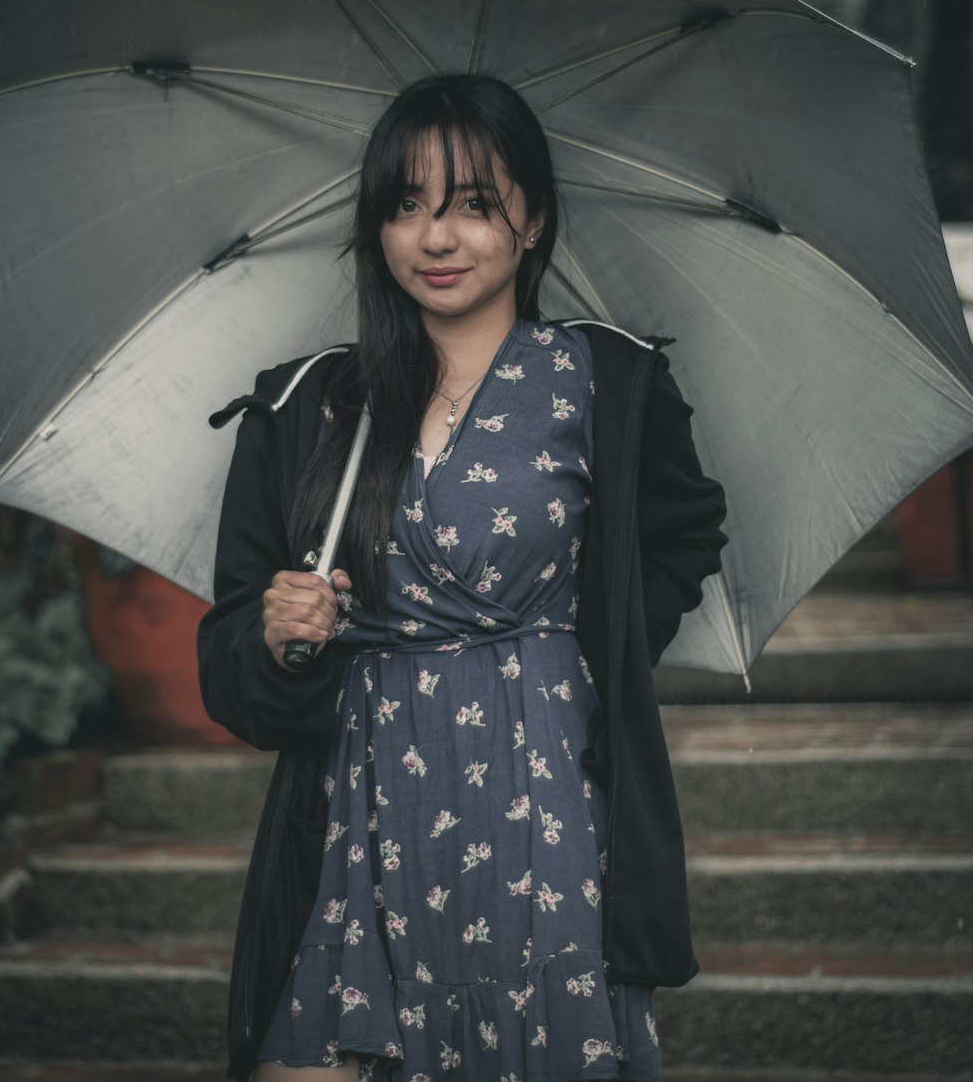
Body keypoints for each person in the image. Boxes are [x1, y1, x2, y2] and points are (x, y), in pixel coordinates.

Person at [198, 74, 727, 1082]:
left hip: (545, 787)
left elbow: (685, 532)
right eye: (406, 204)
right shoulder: (311, 405)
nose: (436, 236)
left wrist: (594, 644)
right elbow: (233, 670)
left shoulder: (604, 381)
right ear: (375, 227)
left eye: (473, 202)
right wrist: (274, 636)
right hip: (361, 796)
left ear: (532, 220)